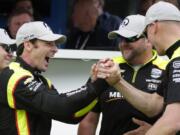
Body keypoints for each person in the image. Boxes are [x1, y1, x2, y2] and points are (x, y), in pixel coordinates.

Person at [0, 21, 109, 135]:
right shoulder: (12, 76)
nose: (55, 49)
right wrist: (99, 84)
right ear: (28, 45)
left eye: (55, 44)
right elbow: (61, 105)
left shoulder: (43, 82)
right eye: (48, 43)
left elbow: (73, 115)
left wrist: (94, 82)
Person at [95, 1, 180, 135]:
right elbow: (153, 106)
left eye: (146, 33)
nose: (150, 41)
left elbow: (172, 122)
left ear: (153, 27)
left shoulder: (178, 61)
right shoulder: (174, 60)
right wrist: (117, 81)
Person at [78, 15, 168, 135]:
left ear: (149, 39)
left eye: (130, 38)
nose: (123, 43)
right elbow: (88, 120)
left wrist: (156, 132)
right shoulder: (107, 67)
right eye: (120, 38)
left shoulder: (168, 69)